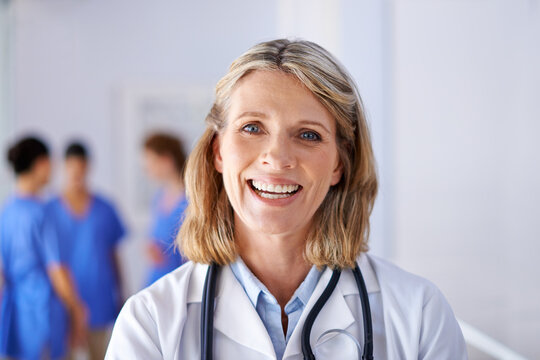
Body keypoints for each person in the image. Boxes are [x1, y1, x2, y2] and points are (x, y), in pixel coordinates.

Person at [106, 39, 467, 359]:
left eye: (308, 135)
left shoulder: (419, 315)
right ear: (218, 152)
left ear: (340, 163)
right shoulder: (149, 324)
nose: (277, 158)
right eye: (252, 128)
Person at [0, 136, 87, 360]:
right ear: (40, 164)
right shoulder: (45, 212)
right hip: (43, 313)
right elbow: (57, 270)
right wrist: (77, 310)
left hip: (15, 313)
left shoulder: (7, 212)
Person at [44, 141, 126, 360]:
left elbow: (113, 256)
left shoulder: (105, 208)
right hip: (62, 305)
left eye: (81, 169)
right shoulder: (49, 210)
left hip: (99, 300)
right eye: (72, 169)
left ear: (89, 167)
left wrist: (121, 294)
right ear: (64, 168)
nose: (76, 175)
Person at [142, 133, 188, 285]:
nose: (146, 168)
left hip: (181, 282)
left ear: (167, 160)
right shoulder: (159, 197)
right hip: (157, 280)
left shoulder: (192, 201)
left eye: (151, 161)